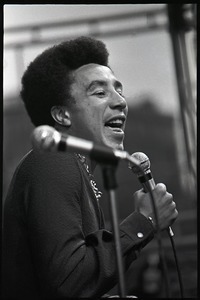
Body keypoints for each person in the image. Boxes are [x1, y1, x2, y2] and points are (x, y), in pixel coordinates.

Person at [2, 36, 178, 299]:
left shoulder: (77, 168)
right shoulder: (53, 160)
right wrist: (145, 220)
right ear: (62, 115)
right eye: (100, 92)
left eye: (120, 90)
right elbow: (69, 281)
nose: (120, 101)